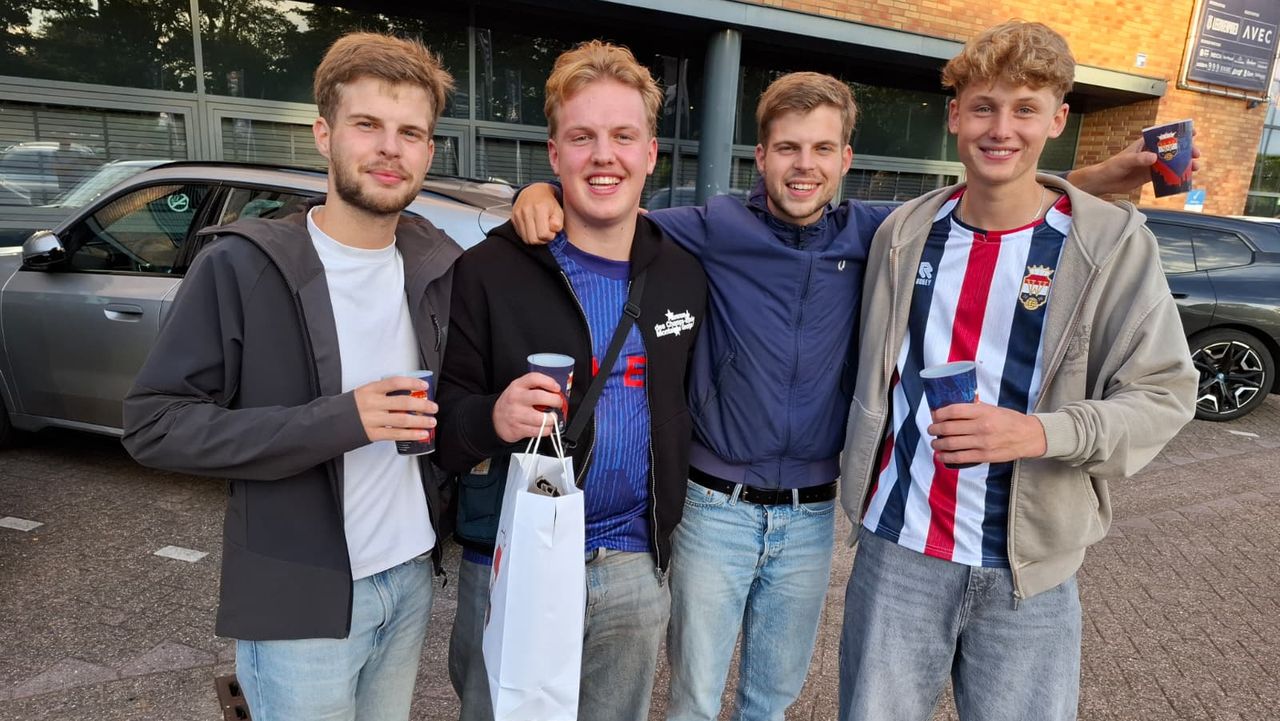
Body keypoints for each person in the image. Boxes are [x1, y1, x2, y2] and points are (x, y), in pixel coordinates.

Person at [510, 69, 1180, 721]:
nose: (805, 166)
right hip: (716, 510)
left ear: (845, 159)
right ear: (761, 156)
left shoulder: (879, 234)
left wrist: (1101, 180)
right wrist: (542, 190)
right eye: (790, 148)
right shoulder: (713, 226)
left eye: (823, 148)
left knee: (771, 698)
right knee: (693, 699)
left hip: (811, 518)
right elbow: (614, 204)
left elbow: (997, 190)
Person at [837, 20, 1198, 721]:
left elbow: (1165, 393)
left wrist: (1039, 432)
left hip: (1029, 572)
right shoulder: (903, 233)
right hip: (898, 553)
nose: (1001, 128)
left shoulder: (1110, 243)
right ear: (954, 116)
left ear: (1058, 119)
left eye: (1026, 108)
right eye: (983, 107)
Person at [121, 32, 458, 721]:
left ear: (428, 149)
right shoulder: (242, 265)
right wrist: (343, 418)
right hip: (298, 598)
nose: (390, 148)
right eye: (367, 125)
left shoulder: (436, 258)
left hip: (411, 576)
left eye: (411, 132)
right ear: (323, 134)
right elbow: (154, 424)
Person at [435, 41, 707, 721]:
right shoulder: (489, 272)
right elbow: (441, 428)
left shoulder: (682, 274)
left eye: (623, 136)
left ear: (651, 153)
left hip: (636, 566)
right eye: (582, 137)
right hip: (515, 560)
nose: (603, 155)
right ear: (554, 156)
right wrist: (492, 417)